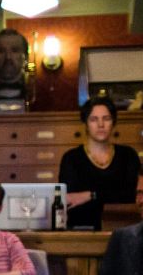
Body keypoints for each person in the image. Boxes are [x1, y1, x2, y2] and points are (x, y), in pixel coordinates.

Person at [58, 96, 138, 230]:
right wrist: (107, 195)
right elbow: (70, 199)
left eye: (106, 118)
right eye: (94, 119)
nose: (101, 125)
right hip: (82, 230)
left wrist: (89, 195)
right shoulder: (71, 158)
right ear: (86, 124)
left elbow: (131, 194)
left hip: (123, 228)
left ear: (114, 122)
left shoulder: (128, 155)